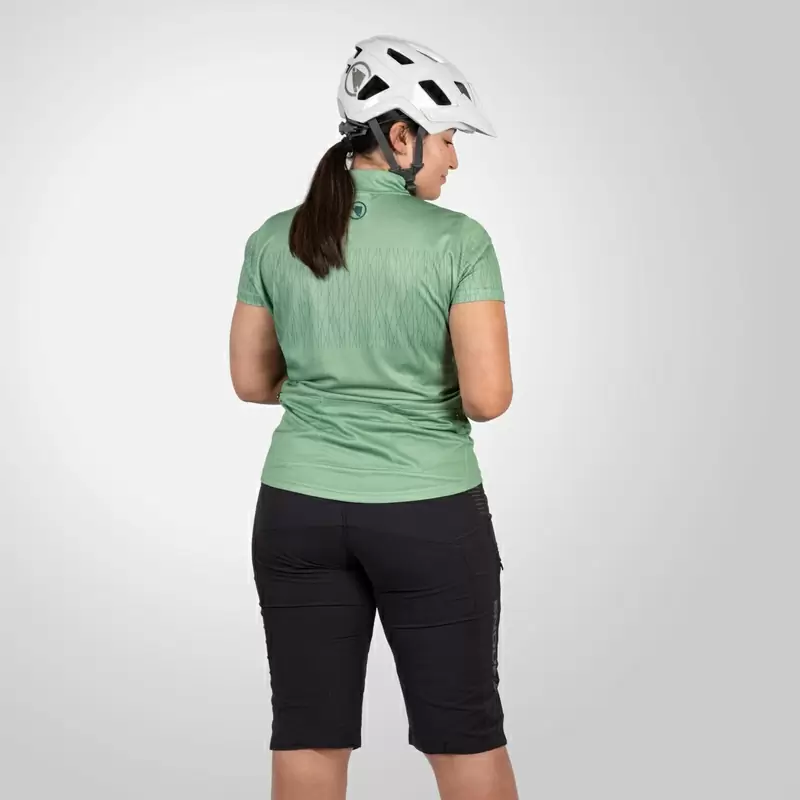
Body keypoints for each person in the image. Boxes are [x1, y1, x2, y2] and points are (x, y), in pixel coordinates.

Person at [229, 34, 517, 800]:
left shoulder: (275, 236)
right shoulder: (459, 242)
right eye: (448, 139)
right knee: (464, 735)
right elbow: (488, 398)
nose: (454, 159)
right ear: (400, 137)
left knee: (308, 735)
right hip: (427, 514)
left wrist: (334, 381)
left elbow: (251, 382)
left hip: (296, 511)